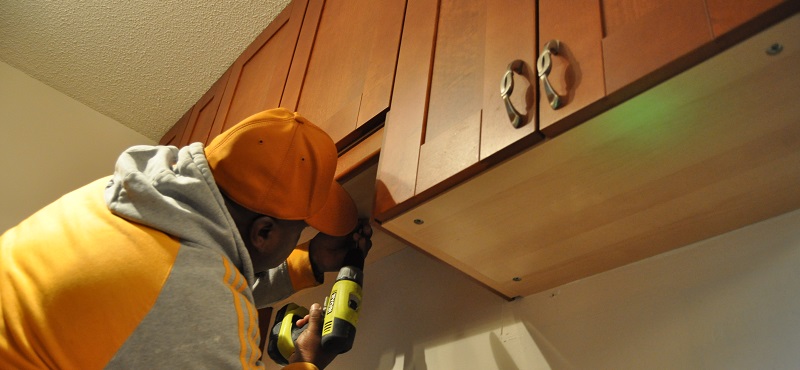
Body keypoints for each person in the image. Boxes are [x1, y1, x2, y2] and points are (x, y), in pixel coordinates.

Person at [0, 107, 372, 369]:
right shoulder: (190, 298)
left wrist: (308, 262)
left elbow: (179, 291)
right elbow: (186, 300)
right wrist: (305, 361)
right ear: (264, 232)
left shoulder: (131, 196)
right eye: (301, 229)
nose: (300, 239)